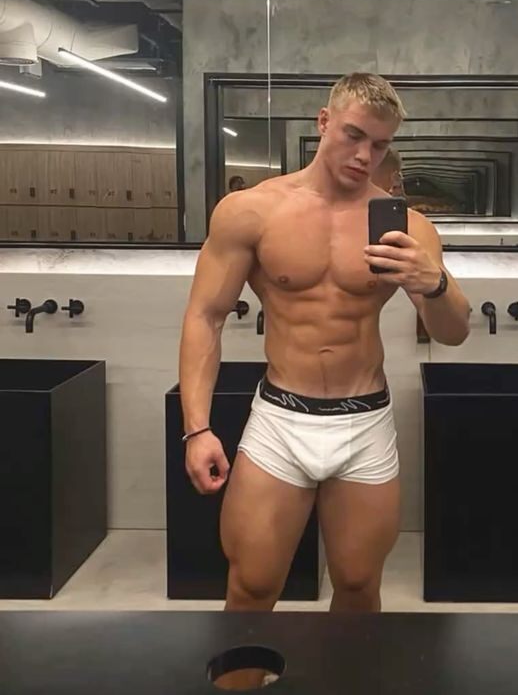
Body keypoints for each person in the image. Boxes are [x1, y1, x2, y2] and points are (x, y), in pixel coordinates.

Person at [178, 73, 470, 621]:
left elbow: (453, 332)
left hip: (365, 422)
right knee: (252, 586)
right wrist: (197, 429)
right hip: (280, 420)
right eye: (353, 135)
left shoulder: (408, 228)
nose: (364, 156)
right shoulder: (251, 211)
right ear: (324, 121)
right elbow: (205, 317)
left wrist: (432, 283)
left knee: (358, 586)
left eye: (379, 145)